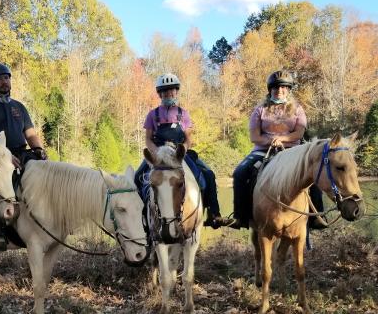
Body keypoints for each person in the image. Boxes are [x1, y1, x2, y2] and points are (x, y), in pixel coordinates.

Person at [134, 73, 233, 229]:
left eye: (172, 91)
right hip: (159, 154)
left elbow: (188, 139)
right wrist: (157, 152)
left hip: (178, 153)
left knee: (207, 174)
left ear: (176, 91)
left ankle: (213, 214)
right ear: (160, 94)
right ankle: (141, 219)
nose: (169, 94)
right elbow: (147, 139)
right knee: (137, 177)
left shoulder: (184, 114)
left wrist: (182, 151)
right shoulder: (152, 115)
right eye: (165, 92)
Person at [230, 70, 326, 229]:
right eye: (275, 87)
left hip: (292, 151)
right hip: (263, 151)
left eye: (283, 87)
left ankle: (317, 216)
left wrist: (281, 139)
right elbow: (255, 137)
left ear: (288, 89)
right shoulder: (259, 110)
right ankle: (241, 216)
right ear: (270, 89)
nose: (279, 90)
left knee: (313, 172)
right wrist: (270, 141)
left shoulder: (297, 109)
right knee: (240, 172)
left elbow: (299, 133)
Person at [0, 63, 47, 250]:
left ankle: (46, 222)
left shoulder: (19, 107)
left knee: (46, 176)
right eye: (0, 78)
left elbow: (30, 134)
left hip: (22, 152)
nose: (5, 81)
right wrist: (5, 156)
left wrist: (38, 150)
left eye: (7, 77)